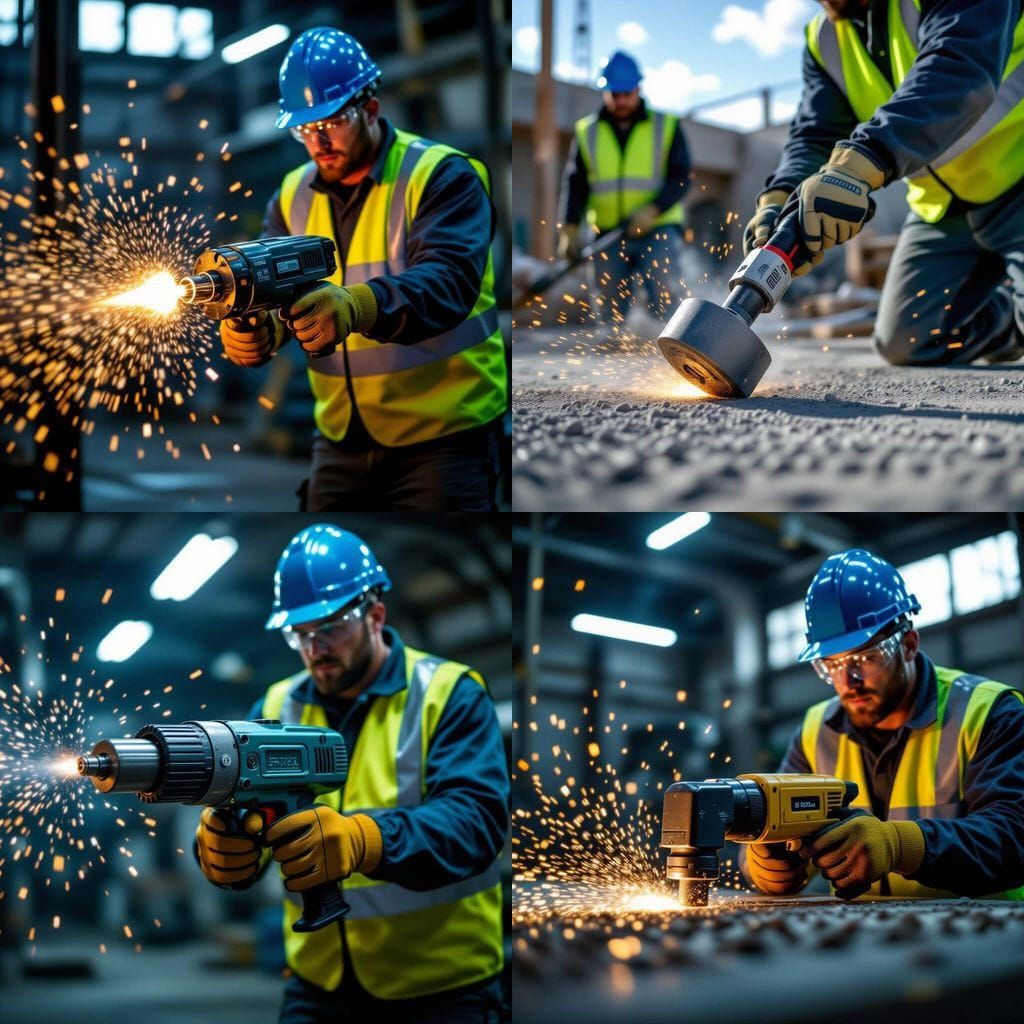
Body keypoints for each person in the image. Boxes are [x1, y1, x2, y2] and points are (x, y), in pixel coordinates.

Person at [194, 524, 508, 1021]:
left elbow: (475, 822)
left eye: (331, 628)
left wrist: (365, 840)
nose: (314, 648)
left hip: (442, 987)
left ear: (375, 616)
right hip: (318, 983)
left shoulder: (449, 693)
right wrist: (226, 849)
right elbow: (251, 820)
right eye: (299, 634)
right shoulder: (275, 706)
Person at [220, 28, 507, 511]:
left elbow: (449, 281)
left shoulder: (441, 174)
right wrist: (263, 328)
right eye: (304, 129)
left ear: (370, 109)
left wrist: (357, 305)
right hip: (339, 436)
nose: (318, 141)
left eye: (332, 122)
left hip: (444, 434)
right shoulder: (291, 194)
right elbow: (275, 292)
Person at [743, 0, 1024, 366]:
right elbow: (816, 135)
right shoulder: (823, 38)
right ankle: (1010, 323)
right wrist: (781, 197)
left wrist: (858, 165)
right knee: (906, 342)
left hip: (1017, 182)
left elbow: (958, 68)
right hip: (942, 210)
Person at [744, 547, 1024, 900]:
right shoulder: (816, 731)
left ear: (908, 645)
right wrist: (767, 866)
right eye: (831, 665)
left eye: (865, 658)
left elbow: (1014, 835)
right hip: (870, 933)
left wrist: (898, 844)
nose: (848, 681)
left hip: (992, 927)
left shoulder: (990, 712)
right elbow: (774, 824)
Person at [558, 50, 691, 325]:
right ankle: (614, 343)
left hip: (657, 227)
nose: (620, 100)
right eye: (614, 94)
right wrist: (568, 227)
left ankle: (671, 340)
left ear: (638, 89)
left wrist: (653, 210)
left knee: (664, 290)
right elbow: (576, 182)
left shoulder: (666, 126)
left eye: (626, 93)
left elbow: (681, 177)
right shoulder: (587, 131)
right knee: (609, 303)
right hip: (606, 232)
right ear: (605, 91)